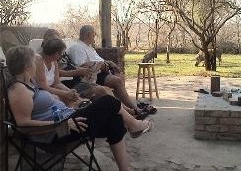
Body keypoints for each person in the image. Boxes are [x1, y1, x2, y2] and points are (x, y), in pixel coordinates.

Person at [6, 46, 153, 171]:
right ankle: (135, 125)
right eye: (34, 61)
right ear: (26, 66)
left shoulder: (30, 83)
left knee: (115, 121)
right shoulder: (18, 89)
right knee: (108, 101)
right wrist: (61, 124)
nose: (36, 64)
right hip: (58, 132)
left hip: (69, 121)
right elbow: (22, 124)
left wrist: (71, 104)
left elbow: (47, 102)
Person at [36, 29, 148, 119]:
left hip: (77, 80)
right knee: (105, 89)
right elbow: (48, 82)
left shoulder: (56, 58)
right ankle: (130, 113)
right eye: (94, 34)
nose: (60, 55)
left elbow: (56, 81)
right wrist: (77, 74)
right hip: (73, 82)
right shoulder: (42, 58)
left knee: (112, 84)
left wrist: (106, 63)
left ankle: (130, 112)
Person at [67, 25, 157, 115]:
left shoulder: (89, 47)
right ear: (88, 34)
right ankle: (134, 109)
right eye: (94, 34)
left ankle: (125, 109)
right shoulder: (77, 47)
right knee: (116, 81)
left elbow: (99, 60)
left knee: (119, 77)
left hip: (100, 72)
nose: (95, 36)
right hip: (89, 77)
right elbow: (81, 65)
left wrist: (109, 62)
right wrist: (103, 65)